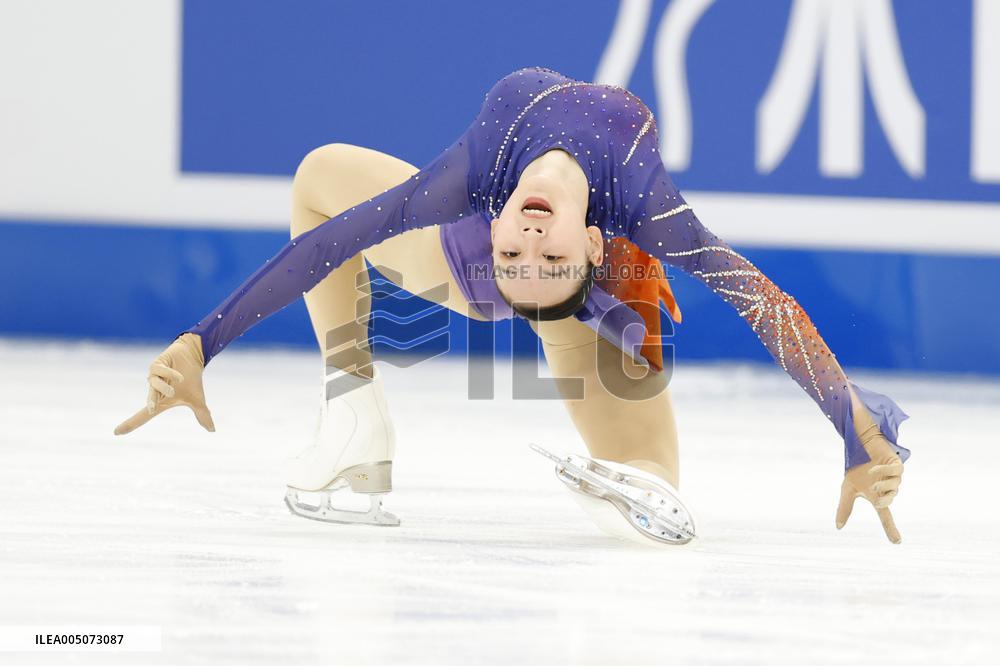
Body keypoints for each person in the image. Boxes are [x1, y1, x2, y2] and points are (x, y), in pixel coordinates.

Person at [113, 67, 908, 544]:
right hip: (506, 278)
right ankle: (356, 408)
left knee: (650, 483)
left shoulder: (487, 183)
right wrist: (853, 423)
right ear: (588, 244)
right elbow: (760, 299)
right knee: (320, 180)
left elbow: (759, 299)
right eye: (538, 254)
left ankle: (630, 478)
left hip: (565, 295)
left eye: (528, 255)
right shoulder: (615, 202)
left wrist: (199, 342)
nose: (529, 239)